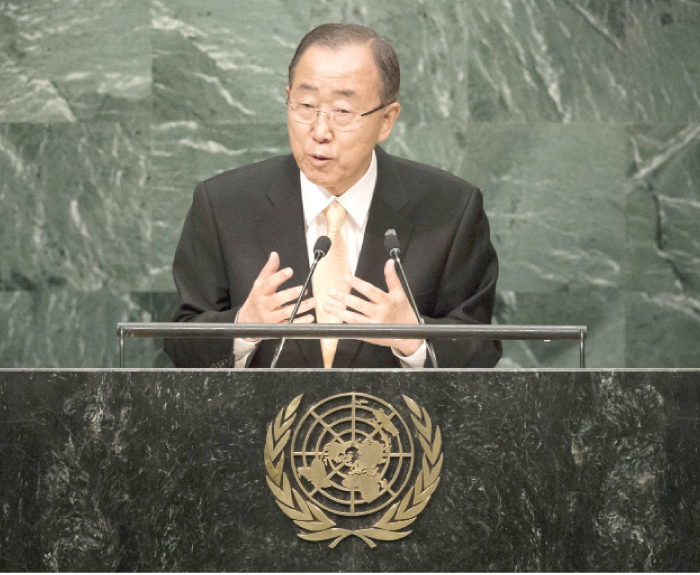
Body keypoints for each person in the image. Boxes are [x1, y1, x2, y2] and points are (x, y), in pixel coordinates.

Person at [164, 23, 501, 369]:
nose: (320, 131)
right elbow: (179, 343)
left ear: (386, 119)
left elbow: (481, 349)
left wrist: (414, 339)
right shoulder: (224, 205)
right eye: (305, 105)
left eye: (342, 112)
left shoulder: (450, 210)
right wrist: (241, 328)